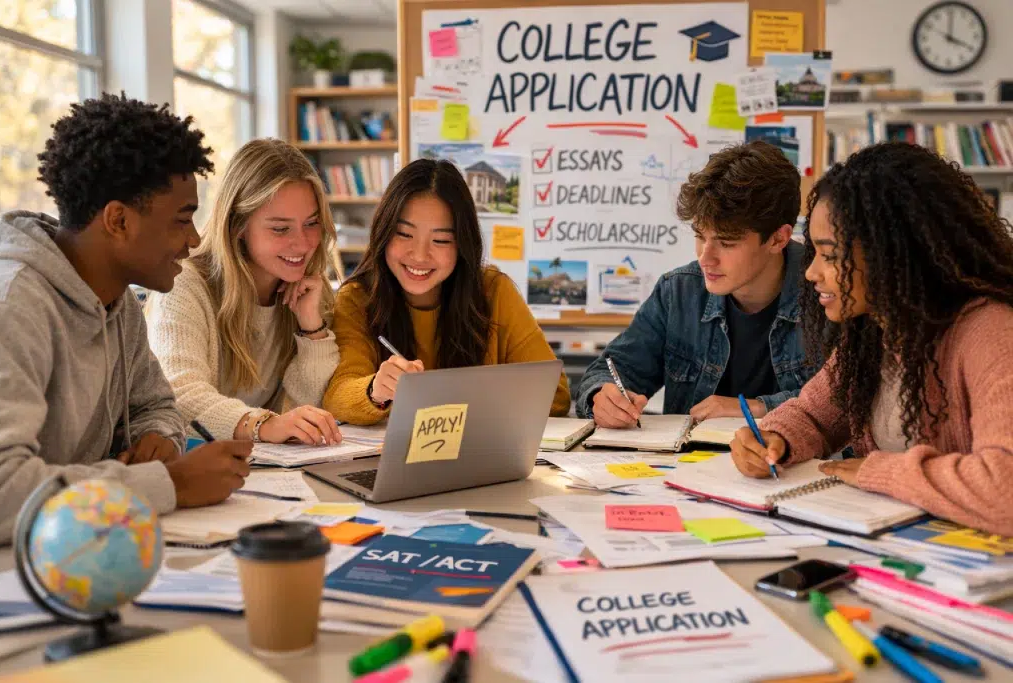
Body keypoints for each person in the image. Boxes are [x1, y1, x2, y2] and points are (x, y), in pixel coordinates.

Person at [0, 94, 251, 547]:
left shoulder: (116, 300)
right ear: (118, 220)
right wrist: (172, 485)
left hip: (71, 548)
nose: (193, 241)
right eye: (182, 220)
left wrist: (159, 437)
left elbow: (158, 405)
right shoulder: (12, 307)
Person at [730, 143, 1013, 535]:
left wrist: (881, 472)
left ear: (892, 253)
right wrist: (775, 438)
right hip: (895, 549)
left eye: (830, 255)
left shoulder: (992, 332)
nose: (811, 272)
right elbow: (814, 414)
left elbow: (1005, 491)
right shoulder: (877, 331)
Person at [576, 141, 814, 428]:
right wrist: (601, 398)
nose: (705, 259)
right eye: (700, 236)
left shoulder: (827, 292)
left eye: (726, 243)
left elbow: (849, 401)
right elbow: (609, 371)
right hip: (686, 468)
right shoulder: (678, 292)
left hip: (795, 468)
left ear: (778, 239)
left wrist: (756, 408)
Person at [324, 158, 571, 425]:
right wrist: (376, 390)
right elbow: (338, 396)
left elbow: (555, 395)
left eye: (440, 240)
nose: (419, 255)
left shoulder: (494, 290)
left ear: (462, 244)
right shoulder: (358, 299)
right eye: (404, 235)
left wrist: (458, 395)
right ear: (383, 233)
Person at [147, 139, 342, 445]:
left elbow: (306, 411)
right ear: (237, 225)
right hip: (195, 467)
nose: (303, 243)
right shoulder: (183, 283)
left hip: (262, 469)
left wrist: (312, 329)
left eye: (312, 223)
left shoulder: (302, 289)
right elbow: (179, 395)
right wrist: (263, 424)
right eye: (280, 228)